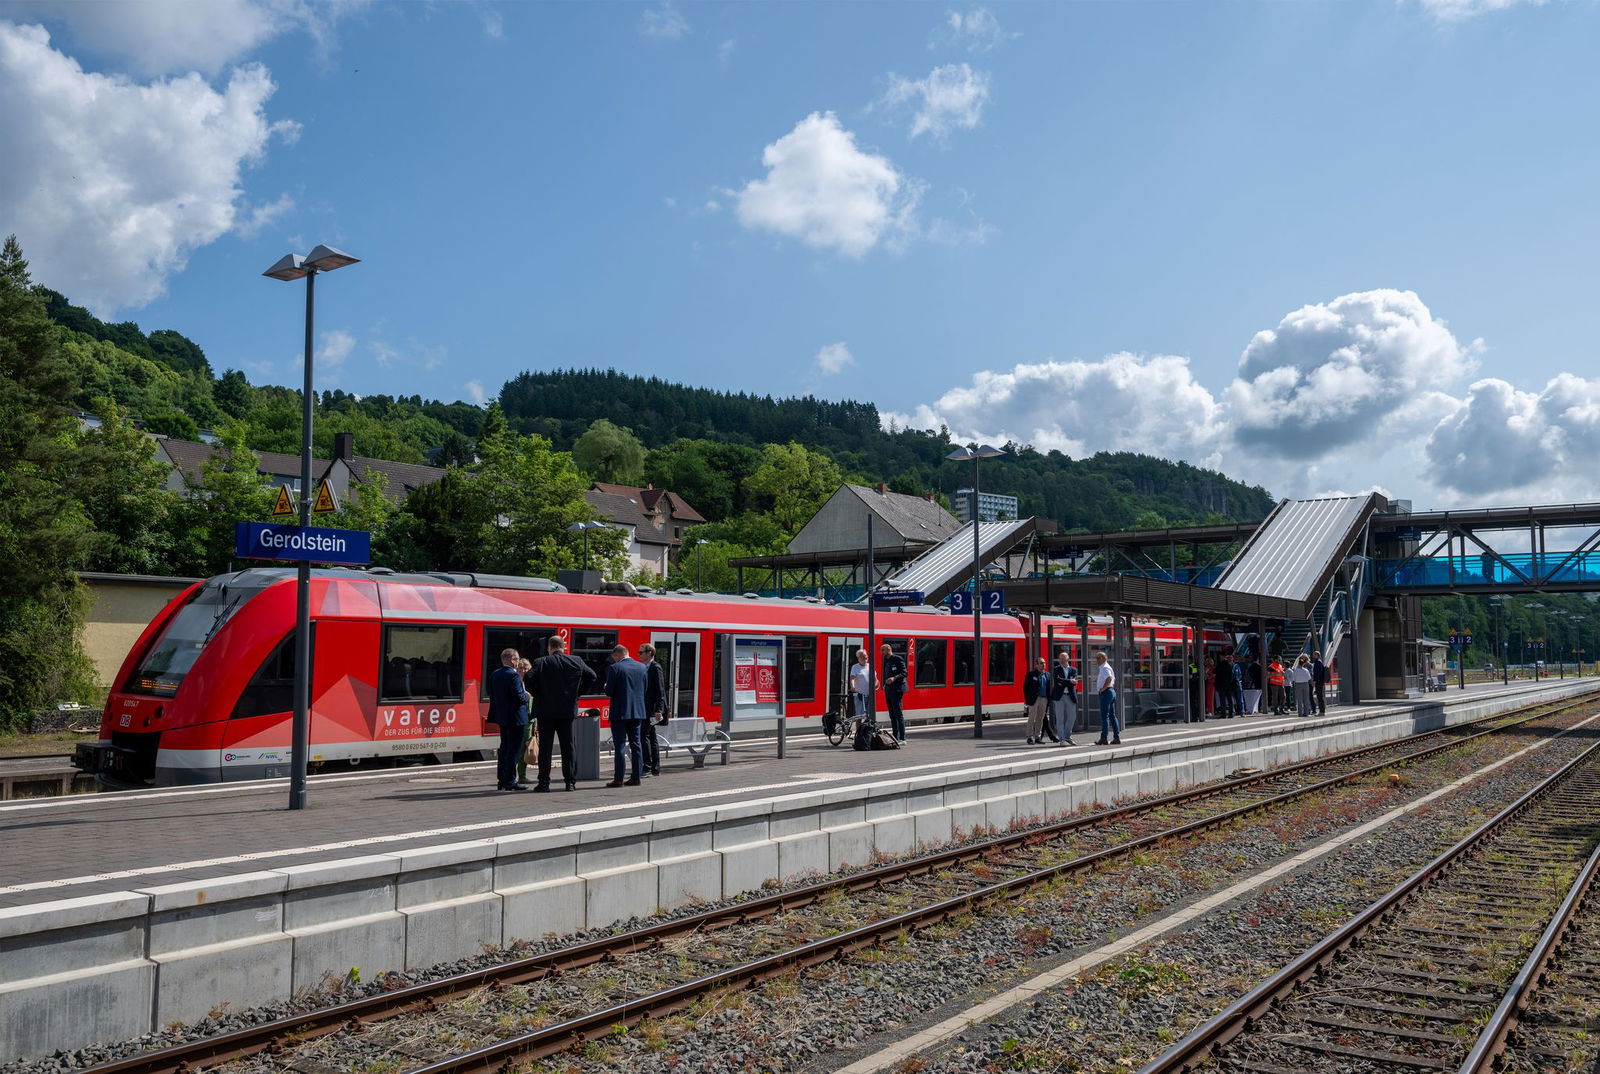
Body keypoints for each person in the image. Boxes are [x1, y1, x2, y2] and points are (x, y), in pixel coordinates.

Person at [527, 635, 596, 792]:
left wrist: (538, 693)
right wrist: (577, 693)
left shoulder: (541, 662)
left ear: (549, 648)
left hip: (546, 712)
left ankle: (544, 783)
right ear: (564, 647)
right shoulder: (576, 661)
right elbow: (592, 676)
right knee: (568, 747)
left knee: (546, 748)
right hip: (567, 711)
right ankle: (569, 783)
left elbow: (529, 678)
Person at [487, 647, 531, 791]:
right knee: (513, 750)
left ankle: (501, 779)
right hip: (516, 718)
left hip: (502, 717)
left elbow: (491, 694)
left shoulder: (495, 674)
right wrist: (527, 696)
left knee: (504, 748)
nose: (518, 662)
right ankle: (510, 781)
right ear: (512, 660)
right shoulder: (514, 676)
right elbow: (519, 697)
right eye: (517, 659)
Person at [605, 644, 648, 787]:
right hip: (637, 712)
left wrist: (606, 687)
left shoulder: (615, 668)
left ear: (617, 655)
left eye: (614, 657)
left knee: (620, 746)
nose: (614, 660)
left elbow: (610, 691)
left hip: (620, 713)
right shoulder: (642, 667)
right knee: (636, 745)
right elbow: (645, 688)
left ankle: (618, 779)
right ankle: (636, 777)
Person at [639, 642, 666, 776]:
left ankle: (647, 767)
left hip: (651, 709)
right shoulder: (644, 667)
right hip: (645, 708)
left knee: (644, 736)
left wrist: (659, 710)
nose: (639, 654)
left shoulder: (655, 668)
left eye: (641, 652)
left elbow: (660, 690)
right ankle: (655, 768)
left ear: (650, 653)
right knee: (651, 737)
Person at [880, 642, 908, 744]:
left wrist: (894, 678)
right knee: (892, 714)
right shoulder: (886, 660)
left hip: (897, 689)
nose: (881, 652)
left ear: (888, 650)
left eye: (882, 650)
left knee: (898, 714)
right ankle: (895, 736)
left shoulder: (897, 659)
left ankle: (902, 738)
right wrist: (884, 683)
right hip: (888, 689)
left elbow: (904, 673)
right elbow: (885, 673)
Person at [516, 658, 537, 785]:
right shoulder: (515, 682)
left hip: (529, 721)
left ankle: (522, 775)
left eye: (526, 668)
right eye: (520, 668)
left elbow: (535, 704)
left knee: (525, 748)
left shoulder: (532, 684)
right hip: (519, 719)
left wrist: (535, 723)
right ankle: (517, 775)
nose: (523, 671)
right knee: (517, 748)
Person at [1051, 651, 1078, 745]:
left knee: (1072, 717)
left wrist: (1064, 682)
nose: (1061, 660)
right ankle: (1062, 739)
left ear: (1068, 659)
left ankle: (1067, 736)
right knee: (1060, 718)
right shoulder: (1056, 669)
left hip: (1070, 696)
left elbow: (1069, 682)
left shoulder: (1073, 670)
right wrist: (1070, 681)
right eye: (1060, 658)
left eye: (1063, 658)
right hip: (1059, 697)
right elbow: (1057, 680)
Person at [1093, 651, 1120, 745]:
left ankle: (1104, 738)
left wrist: (1103, 689)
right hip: (1110, 691)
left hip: (1106, 692)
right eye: (1096, 658)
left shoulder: (1104, 667)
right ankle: (1116, 737)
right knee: (1112, 716)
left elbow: (1109, 678)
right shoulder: (1105, 667)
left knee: (1105, 716)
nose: (1096, 660)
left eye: (1098, 658)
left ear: (1104, 658)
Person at [1022, 657, 1052, 744]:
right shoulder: (1031, 674)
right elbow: (1025, 688)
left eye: (1044, 663)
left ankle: (1037, 737)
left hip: (1044, 699)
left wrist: (1048, 699)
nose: (1043, 665)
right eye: (1041, 663)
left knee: (1040, 718)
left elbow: (1048, 688)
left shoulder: (1047, 675)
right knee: (1032, 717)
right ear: (1036, 665)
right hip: (1034, 699)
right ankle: (1029, 737)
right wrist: (1027, 699)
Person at [849, 648, 873, 725]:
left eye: (866, 656)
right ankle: (858, 734)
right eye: (863, 656)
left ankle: (867, 733)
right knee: (859, 716)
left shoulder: (870, 666)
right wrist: (852, 687)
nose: (865, 657)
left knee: (869, 716)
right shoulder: (855, 667)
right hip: (859, 695)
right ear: (858, 658)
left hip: (870, 695)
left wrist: (876, 684)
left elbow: (875, 679)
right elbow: (852, 678)